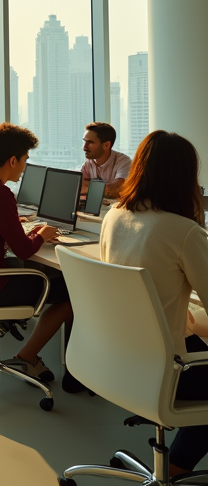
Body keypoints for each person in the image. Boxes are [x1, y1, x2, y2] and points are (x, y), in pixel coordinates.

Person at [100, 131, 208, 478]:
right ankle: (175, 470)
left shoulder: (115, 215)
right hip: (164, 370)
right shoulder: (183, 231)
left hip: (119, 358)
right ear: (186, 177)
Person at [0, 123, 73, 383]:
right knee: (71, 293)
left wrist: (18, 226)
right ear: (12, 160)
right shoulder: (0, 192)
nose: (25, 166)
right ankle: (28, 357)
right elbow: (24, 250)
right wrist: (41, 234)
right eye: (25, 160)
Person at [81, 121, 131, 199]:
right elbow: (78, 187)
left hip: (117, 209)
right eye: (84, 141)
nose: (84, 147)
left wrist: (87, 188)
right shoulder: (88, 163)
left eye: (90, 142)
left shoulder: (124, 161)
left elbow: (118, 188)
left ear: (106, 145)